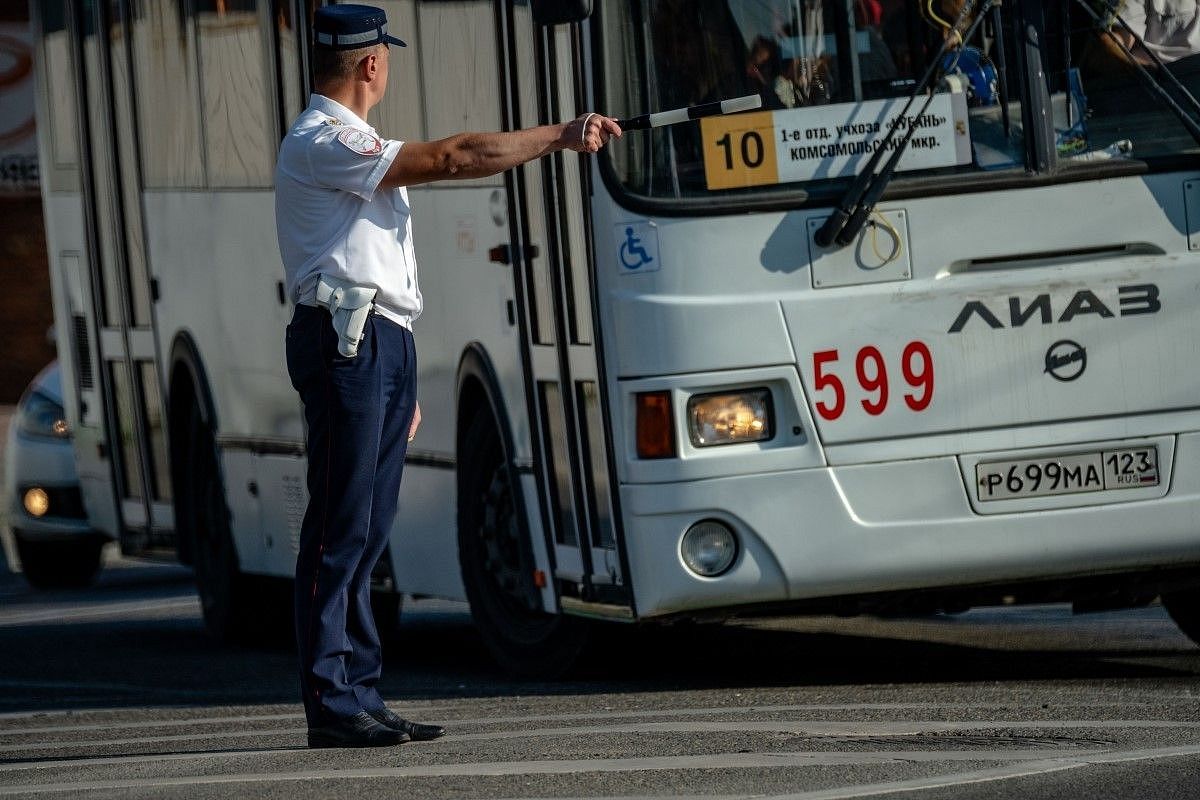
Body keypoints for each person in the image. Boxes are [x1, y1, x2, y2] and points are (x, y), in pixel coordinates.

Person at [275, 4, 621, 749]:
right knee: (339, 532)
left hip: (377, 341)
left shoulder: (351, 140)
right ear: (372, 64)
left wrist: (397, 371)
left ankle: (359, 692)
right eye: (386, 56)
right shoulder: (323, 139)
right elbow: (456, 157)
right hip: (348, 344)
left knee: (367, 533)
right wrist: (561, 136)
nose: (388, 66)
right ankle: (332, 703)